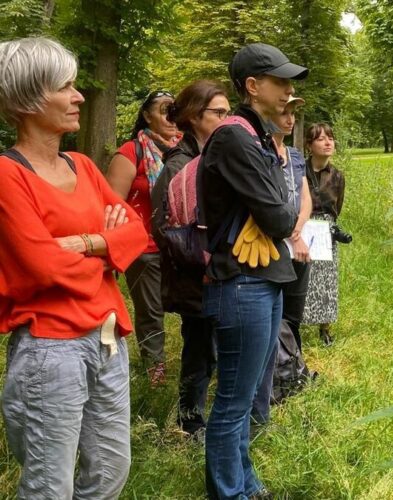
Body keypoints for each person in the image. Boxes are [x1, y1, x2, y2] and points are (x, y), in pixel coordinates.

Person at [0, 37, 147, 498]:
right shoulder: (7, 174)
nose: (79, 96)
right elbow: (43, 269)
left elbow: (139, 233)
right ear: (28, 98)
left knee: (110, 472)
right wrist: (107, 257)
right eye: (65, 86)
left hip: (107, 341)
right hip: (50, 351)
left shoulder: (83, 165)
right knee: (50, 486)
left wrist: (89, 243)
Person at [200, 43, 307, 499]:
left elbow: (281, 209)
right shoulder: (236, 136)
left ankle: (246, 482)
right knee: (232, 402)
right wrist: (279, 207)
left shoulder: (259, 136)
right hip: (241, 283)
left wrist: (276, 207)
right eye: (280, 82)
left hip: (265, 280)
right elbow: (284, 217)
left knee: (245, 401)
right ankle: (229, 492)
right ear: (252, 86)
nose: (288, 91)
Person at [150, 80, 231, 437]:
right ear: (195, 117)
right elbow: (166, 227)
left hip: (220, 267)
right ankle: (190, 420)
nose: (226, 119)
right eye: (219, 113)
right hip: (195, 272)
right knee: (199, 348)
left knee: (214, 345)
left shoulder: (215, 156)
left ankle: (210, 413)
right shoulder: (178, 165)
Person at [106, 89, 181, 385]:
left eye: (176, 110)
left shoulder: (185, 150)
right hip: (144, 246)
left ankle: (193, 366)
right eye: (165, 109)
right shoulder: (131, 152)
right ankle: (155, 373)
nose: (172, 116)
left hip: (179, 245)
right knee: (151, 311)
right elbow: (111, 206)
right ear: (147, 115)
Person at [252, 96, 316, 424]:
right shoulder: (260, 155)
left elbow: (305, 199)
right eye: (284, 113)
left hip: (299, 242)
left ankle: (294, 370)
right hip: (269, 245)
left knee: (294, 313)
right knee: (272, 318)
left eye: (293, 114)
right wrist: (291, 235)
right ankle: (274, 380)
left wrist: (298, 230)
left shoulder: (294, 156)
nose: (290, 120)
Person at [302, 123, 347, 346]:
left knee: (326, 280)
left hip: (326, 230)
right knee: (301, 277)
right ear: (309, 145)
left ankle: (325, 329)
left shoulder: (338, 176)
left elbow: (337, 209)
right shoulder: (299, 171)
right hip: (302, 228)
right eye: (321, 139)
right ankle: (292, 325)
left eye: (330, 138)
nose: (328, 142)